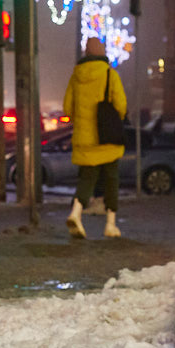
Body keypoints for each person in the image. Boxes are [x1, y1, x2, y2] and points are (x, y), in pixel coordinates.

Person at [62, 37, 127, 239]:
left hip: (84, 138)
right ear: (102, 52)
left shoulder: (76, 76)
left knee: (87, 179)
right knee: (111, 179)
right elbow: (121, 104)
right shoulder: (110, 74)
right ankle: (110, 225)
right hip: (107, 137)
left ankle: (76, 213)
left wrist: (82, 122)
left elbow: (67, 107)